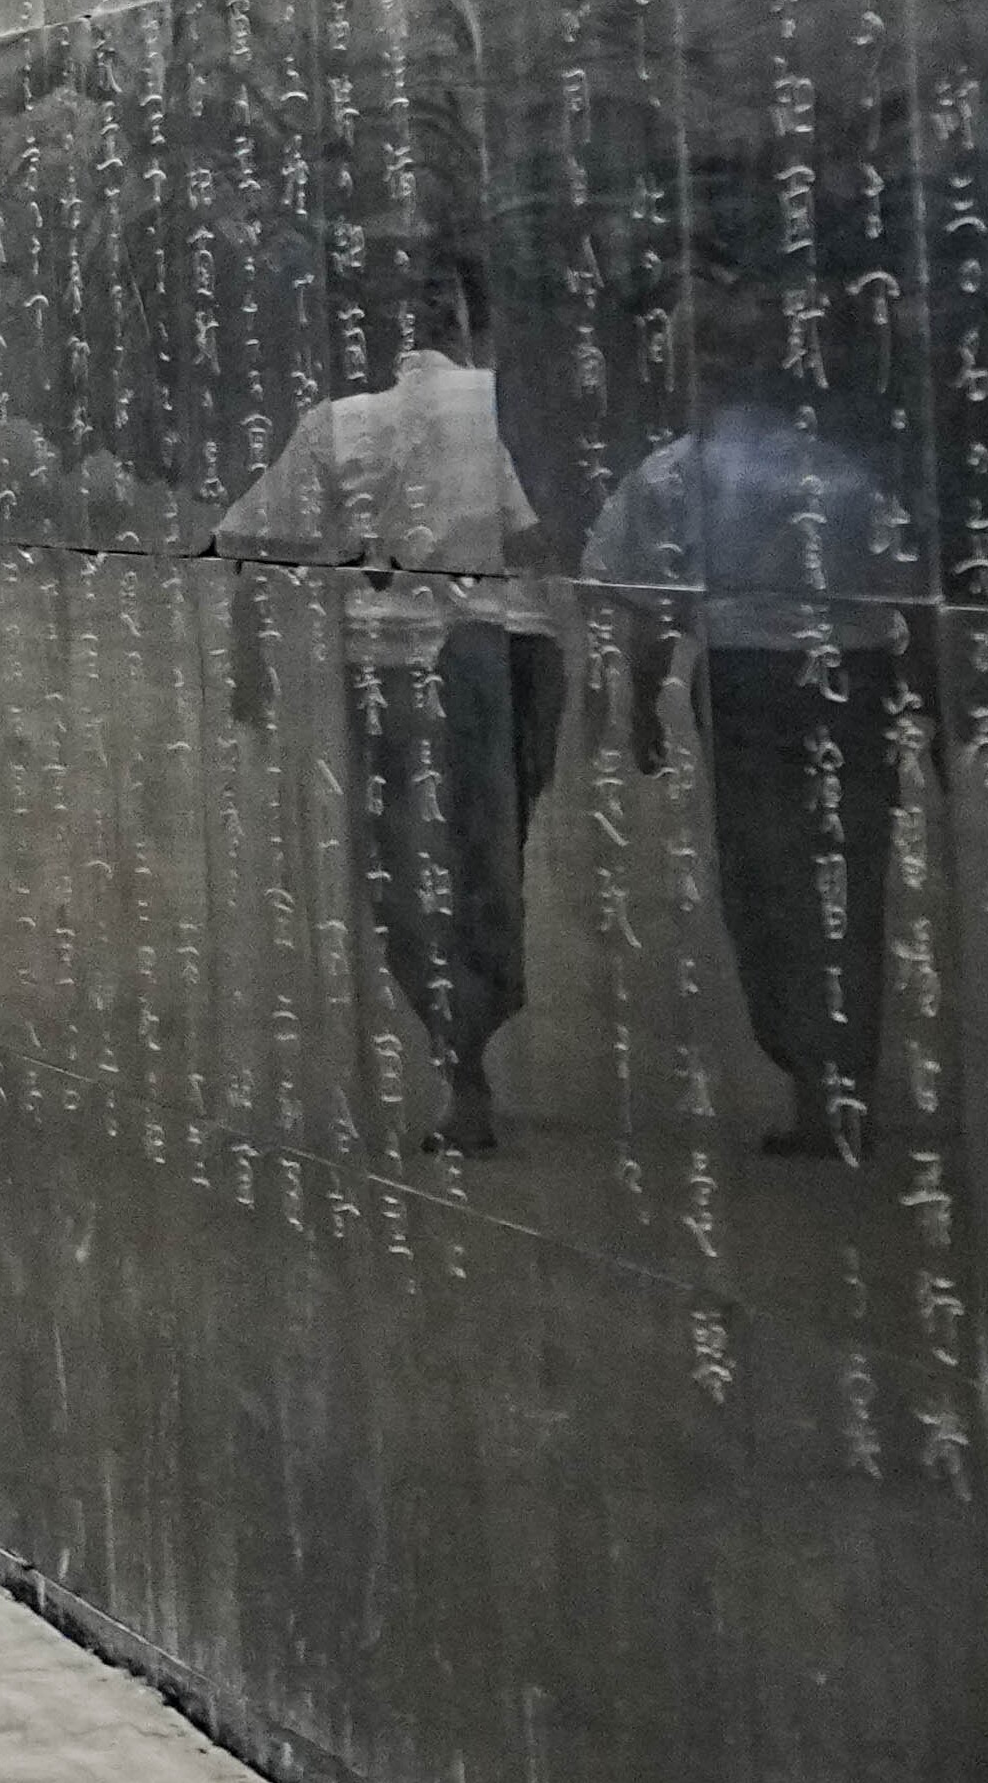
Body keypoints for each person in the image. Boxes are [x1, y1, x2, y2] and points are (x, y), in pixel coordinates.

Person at [213, 253, 554, 1156]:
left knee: (407, 866)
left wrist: (249, 652)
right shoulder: (487, 407)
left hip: (393, 664)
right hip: (491, 651)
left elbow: (250, 533)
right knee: (485, 850)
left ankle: (463, 1061)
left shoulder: (339, 422)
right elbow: (531, 539)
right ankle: (472, 1046)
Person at [585, 392, 910, 1160]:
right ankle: (839, 1080)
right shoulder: (849, 469)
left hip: (746, 677)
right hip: (852, 674)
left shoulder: (680, 470)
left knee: (765, 875)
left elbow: (652, 599)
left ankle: (811, 1071)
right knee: (844, 875)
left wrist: (641, 702)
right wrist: (925, 698)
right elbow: (908, 588)